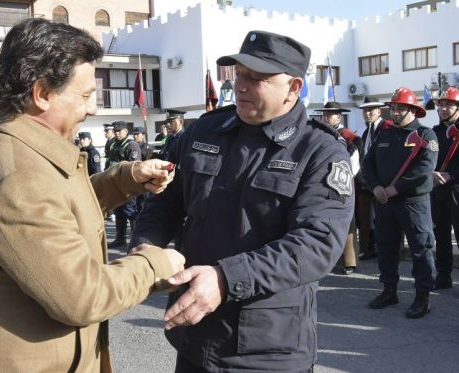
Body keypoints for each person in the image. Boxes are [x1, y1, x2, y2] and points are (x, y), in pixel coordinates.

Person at [0, 18, 185, 373]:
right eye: (86, 96)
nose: (92, 109)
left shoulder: (10, 143)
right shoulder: (20, 178)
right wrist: (157, 263)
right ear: (42, 94)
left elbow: (56, 207)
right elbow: (83, 296)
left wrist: (126, 178)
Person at [130, 31, 354, 372]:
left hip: (265, 349)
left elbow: (317, 244)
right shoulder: (204, 131)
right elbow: (165, 200)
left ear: (293, 88)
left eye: (257, 78)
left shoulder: (320, 151)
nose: (241, 85)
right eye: (238, 75)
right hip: (194, 333)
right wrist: (148, 244)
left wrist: (225, 278)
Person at [362, 87, 438, 319]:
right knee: (386, 248)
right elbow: (368, 165)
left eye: (400, 109)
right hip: (385, 202)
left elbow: (424, 170)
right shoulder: (384, 135)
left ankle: (422, 297)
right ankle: (389, 290)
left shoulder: (426, 136)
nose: (395, 113)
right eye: (393, 108)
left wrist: (395, 188)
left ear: (413, 110)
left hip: (413, 203)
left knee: (420, 249)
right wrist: (375, 187)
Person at [431, 87, 459, 299]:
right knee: (441, 235)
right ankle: (443, 275)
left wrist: (451, 175)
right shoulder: (435, 132)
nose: (443, 109)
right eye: (440, 105)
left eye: (448, 105)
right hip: (438, 190)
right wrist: (432, 174)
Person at [315, 101, 360, 275]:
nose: (326, 117)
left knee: (347, 222)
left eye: (330, 114)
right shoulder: (320, 134)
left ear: (339, 117)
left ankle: (350, 260)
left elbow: (355, 164)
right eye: (325, 114)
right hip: (322, 182)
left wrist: (342, 179)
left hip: (343, 182)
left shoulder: (349, 137)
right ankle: (331, 259)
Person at [356, 97, 393, 261]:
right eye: (365, 110)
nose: (368, 113)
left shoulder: (388, 128)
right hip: (368, 181)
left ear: (379, 111)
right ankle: (370, 248)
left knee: (383, 218)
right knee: (367, 218)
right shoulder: (366, 131)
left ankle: (386, 250)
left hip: (384, 181)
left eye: (371, 110)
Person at [107, 121, 142, 247]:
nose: (117, 133)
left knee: (130, 211)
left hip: (128, 185)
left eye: (119, 131)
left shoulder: (131, 146)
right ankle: (120, 238)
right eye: (115, 131)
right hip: (115, 184)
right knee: (119, 212)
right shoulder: (113, 144)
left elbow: (135, 168)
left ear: (126, 131)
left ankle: (135, 240)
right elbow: (109, 162)